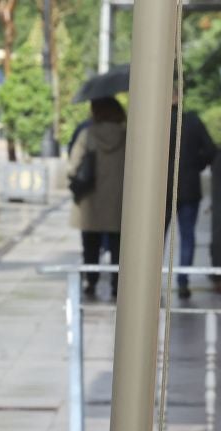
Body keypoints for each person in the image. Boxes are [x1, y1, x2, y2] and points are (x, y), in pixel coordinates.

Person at [67, 96, 126, 300]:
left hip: (91, 199)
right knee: (119, 245)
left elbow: (72, 165)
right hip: (119, 199)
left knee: (90, 244)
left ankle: (91, 281)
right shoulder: (128, 134)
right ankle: (118, 284)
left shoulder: (88, 134)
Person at [167, 97, 218, 299]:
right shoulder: (193, 122)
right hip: (188, 187)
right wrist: (197, 164)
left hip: (161, 189)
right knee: (187, 236)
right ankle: (183, 282)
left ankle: (151, 284)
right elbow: (211, 150)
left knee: (156, 238)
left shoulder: (155, 123)